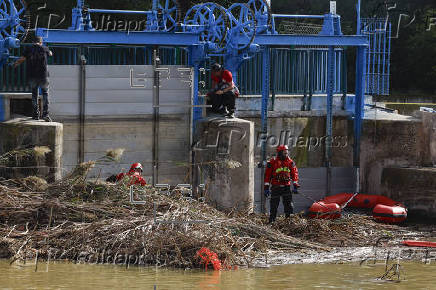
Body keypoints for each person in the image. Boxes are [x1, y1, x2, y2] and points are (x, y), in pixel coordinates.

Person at [14, 36, 53, 122]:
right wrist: (49, 51)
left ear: (33, 42)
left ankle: (36, 115)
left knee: (34, 95)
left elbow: (22, 59)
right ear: (41, 42)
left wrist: (16, 63)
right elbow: (50, 54)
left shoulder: (28, 49)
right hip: (43, 76)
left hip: (32, 76)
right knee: (45, 94)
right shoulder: (44, 48)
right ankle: (46, 115)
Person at [264, 145, 300, 223]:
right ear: (279, 153)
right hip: (275, 187)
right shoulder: (272, 162)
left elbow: (295, 174)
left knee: (289, 206)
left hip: (286, 187)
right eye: (284, 153)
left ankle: (289, 222)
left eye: (287, 153)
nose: (286, 154)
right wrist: (266, 188)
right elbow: (267, 176)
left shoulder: (290, 162)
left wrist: (295, 185)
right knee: (274, 206)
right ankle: (272, 222)